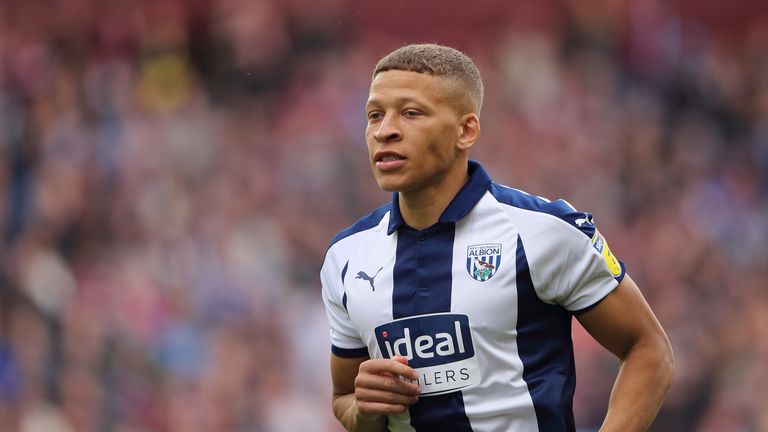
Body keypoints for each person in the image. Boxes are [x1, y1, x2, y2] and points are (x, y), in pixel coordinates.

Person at [320, 43, 674, 432]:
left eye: (411, 113)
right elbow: (346, 400)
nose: (384, 131)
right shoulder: (346, 256)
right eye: (374, 115)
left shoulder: (543, 230)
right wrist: (364, 410)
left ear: (466, 130)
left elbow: (648, 350)